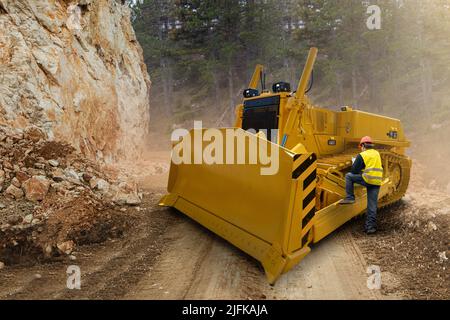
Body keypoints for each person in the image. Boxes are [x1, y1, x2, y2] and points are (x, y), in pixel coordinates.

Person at [340, 136, 383, 234]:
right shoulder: (376, 153)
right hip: (377, 181)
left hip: (368, 179)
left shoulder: (362, 155)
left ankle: (350, 197)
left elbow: (354, 171)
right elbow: (372, 166)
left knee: (348, 176)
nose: (361, 148)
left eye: (361, 146)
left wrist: (356, 162)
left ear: (363, 145)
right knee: (372, 205)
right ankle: (370, 228)